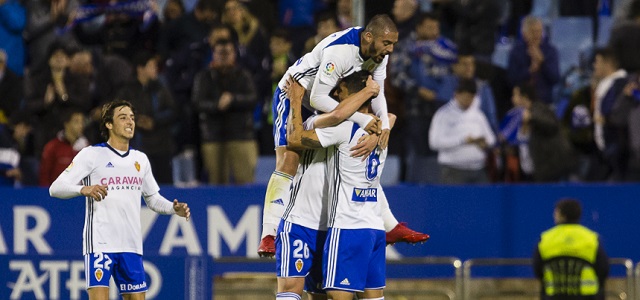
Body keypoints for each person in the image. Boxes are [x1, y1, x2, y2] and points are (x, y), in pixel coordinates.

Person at [276, 71, 429, 300]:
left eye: (341, 89)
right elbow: (391, 116)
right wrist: (378, 134)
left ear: (355, 95)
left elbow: (295, 138)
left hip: (347, 226)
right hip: (374, 228)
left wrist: (295, 100)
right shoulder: (382, 128)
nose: (336, 93)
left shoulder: (344, 128)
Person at [258, 14, 395, 257]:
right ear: (369, 37)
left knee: (354, 156)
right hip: (296, 93)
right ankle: (269, 233)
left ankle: (389, 223)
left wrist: (384, 125)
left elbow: (379, 92)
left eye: (393, 44)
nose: (390, 49)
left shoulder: (378, 53)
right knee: (289, 159)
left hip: (328, 98)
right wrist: (363, 119)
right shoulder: (341, 51)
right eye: (387, 43)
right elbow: (316, 98)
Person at [49, 100, 190, 300]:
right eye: (123, 118)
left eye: (132, 118)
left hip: (131, 245)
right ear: (109, 124)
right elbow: (55, 188)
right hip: (100, 244)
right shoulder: (91, 154)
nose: (130, 122)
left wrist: (173, 208)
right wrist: (84, 189)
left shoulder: (140, 159)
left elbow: (152, 199)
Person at [192, 39, 258, 185]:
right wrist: (217, 105)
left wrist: (233, 99)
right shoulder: (204, 76)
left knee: (245, 182)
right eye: (220, 53)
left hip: (241, 135)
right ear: (213, 54)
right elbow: (197, 103)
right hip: (213, 136)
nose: (224, 56)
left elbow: (253, 99)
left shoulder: (243, 75)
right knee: (216, 183)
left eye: (227, 52)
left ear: (234, 54)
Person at [533, 198, 609, 300]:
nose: (554, 215)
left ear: (561, 215)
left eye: (555, 212)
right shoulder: (591, 238)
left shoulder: (545, 239)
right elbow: (603, 269)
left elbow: (537, 269)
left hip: (554, 297)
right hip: (587, 297)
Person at [429, 78, 496, 184]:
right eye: (466, 97)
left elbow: (491, 139)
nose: (468, 101)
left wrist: (484, 142)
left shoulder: (478, 115)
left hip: (478, 169)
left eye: (471, 98)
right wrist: (463, 140)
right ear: (457, 95)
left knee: (484, 200)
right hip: (453, 170)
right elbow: (434, 143)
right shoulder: (443, 114)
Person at [507, 15, 561, 105]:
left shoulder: (550, 51)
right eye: (533, 32)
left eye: (539, 31)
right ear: (524, 34)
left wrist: (543, 63)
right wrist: (529, 71)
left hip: (545, 103)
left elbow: (555, 78)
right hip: (522, 103)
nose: (537, 35)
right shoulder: (516, 52)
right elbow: (511, 81)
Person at [38, 109, 88, 186]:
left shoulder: (87, 147)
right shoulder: (53, 147)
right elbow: (44, 175)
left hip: (81, 194)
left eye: (82, 122)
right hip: (58, 194)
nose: (81, 125)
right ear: (66, 124)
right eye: (76, 122)